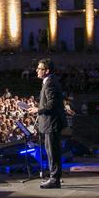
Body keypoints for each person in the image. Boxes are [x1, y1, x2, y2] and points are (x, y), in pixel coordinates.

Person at [33, 58, 67, 188]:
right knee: (52, 151)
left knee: (52, 152)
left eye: (40, 68)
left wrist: (38, 109)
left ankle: (54, 179)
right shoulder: (49, 81)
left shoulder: (50, 82)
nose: (37, 70)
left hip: (52, 122)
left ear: (46, 70)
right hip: (51, 122)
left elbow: (51, 104)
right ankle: (54, 177)